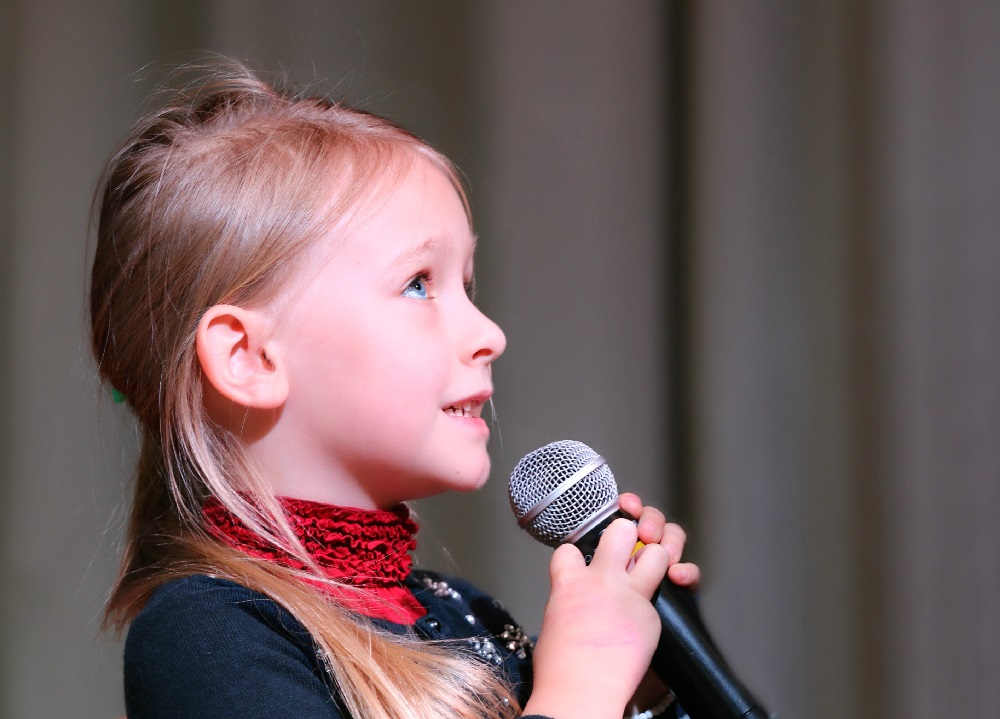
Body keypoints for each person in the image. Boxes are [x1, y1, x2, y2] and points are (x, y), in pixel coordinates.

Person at [89, 59, 701, 719]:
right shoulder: (206, 632)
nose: (489, 333)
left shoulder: (470, 614)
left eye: (467, 286)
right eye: (419, 284)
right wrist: (578, 693)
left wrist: (641, 696)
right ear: (249, 355)